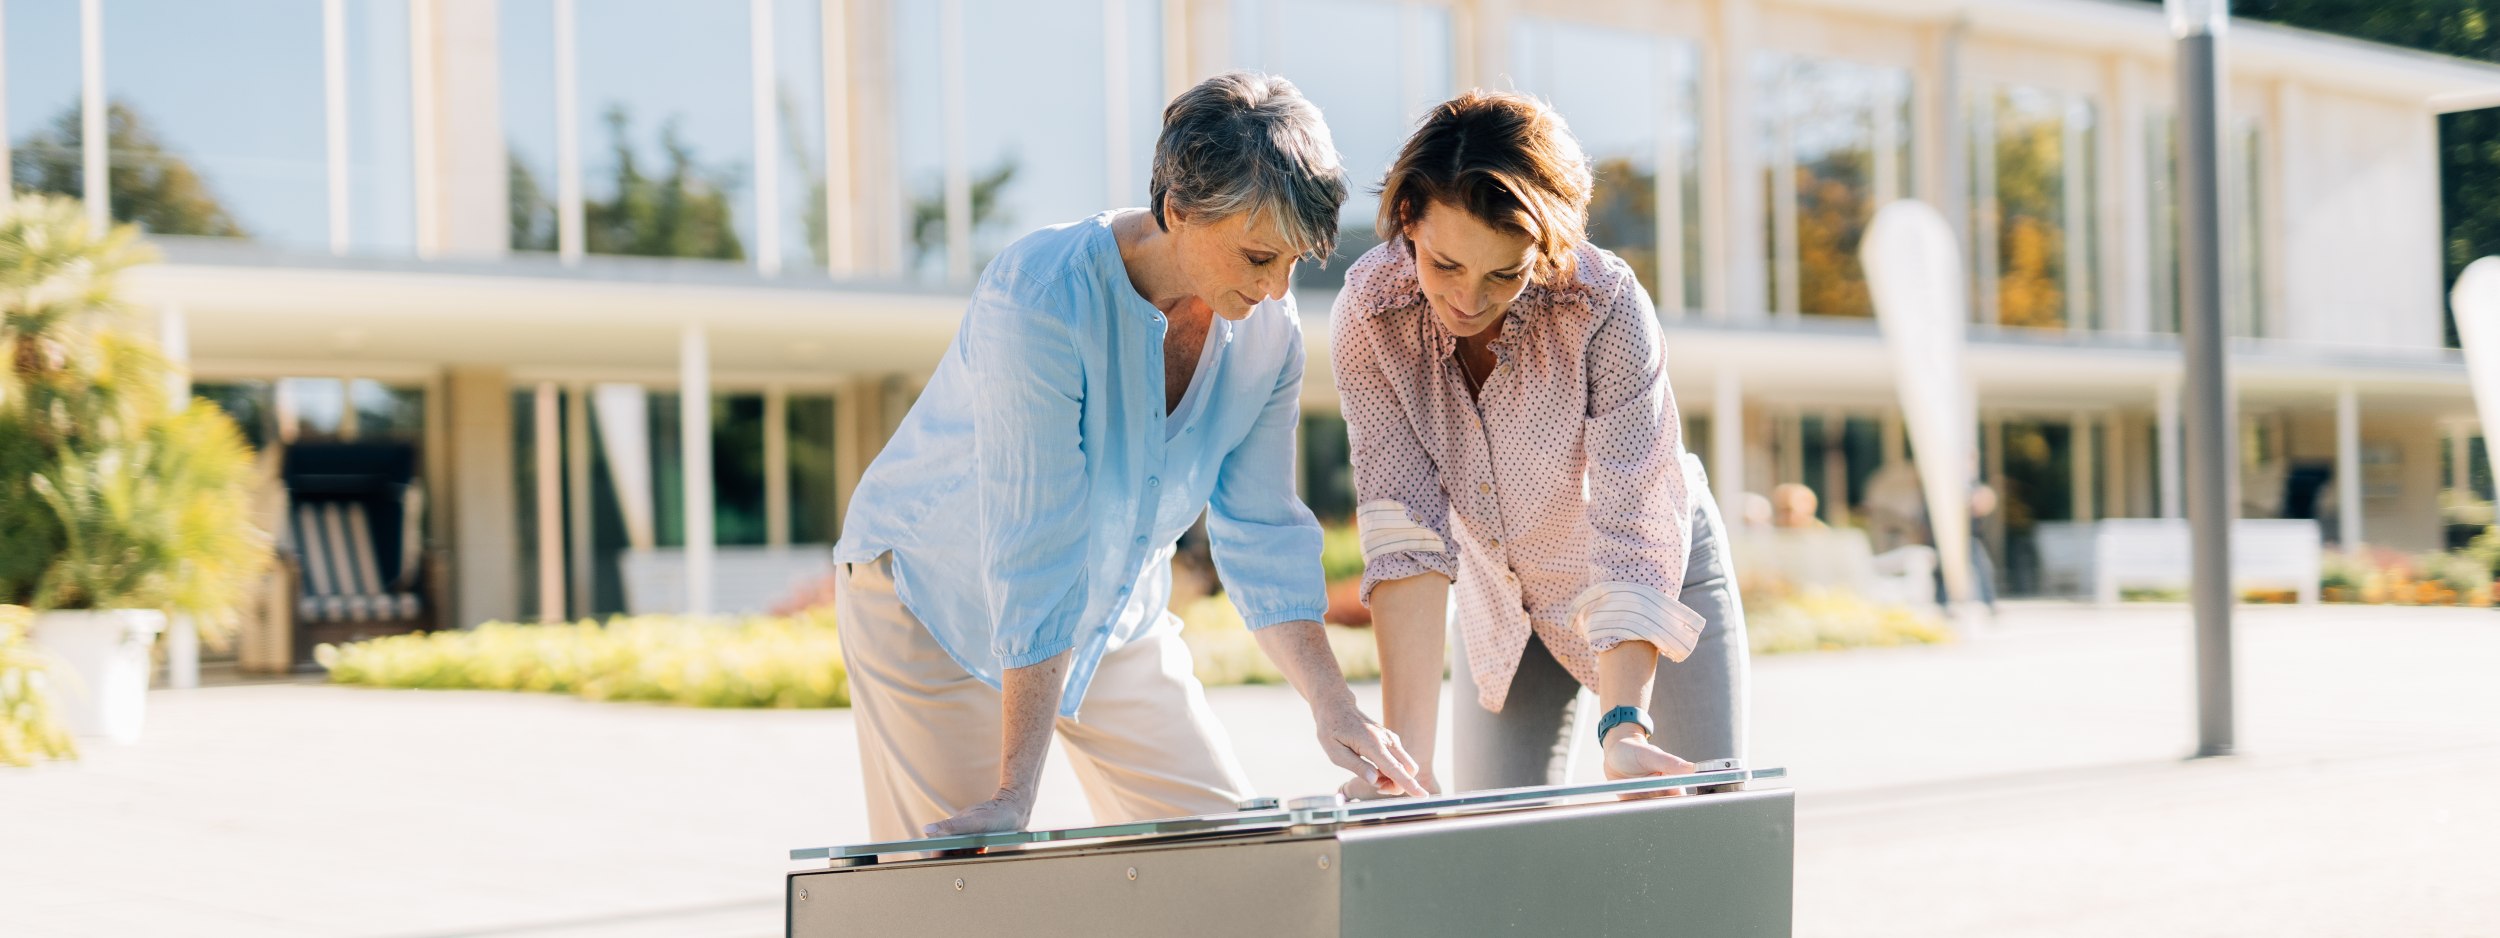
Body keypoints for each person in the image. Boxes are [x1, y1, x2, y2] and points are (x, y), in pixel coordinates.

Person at [831, 72, 1423, 842]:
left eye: (1294, 261)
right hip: (936, 602)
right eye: (1256, 256)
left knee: (1226, 863)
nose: (1277, 289)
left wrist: (1333, 705)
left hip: (1115, 613)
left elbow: (1264, 531)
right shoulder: (1039, 296)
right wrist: (1016, 790)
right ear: (1177, 209)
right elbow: (1034, 545)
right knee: (964, 889)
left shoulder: (1268, 337)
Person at [1333, 90, 1749, 795]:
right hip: (1502, 601)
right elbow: (1404, 533)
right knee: (1500, 851)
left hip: (1652, 573)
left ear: (1547, 247)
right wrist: (1406, 763)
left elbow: (1634, 519)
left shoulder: (1605, 303)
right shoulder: (1372, 314)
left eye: (1505, 273)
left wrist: (1623, 726)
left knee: (1697, 834)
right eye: (1444, 265)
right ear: (1408, 220)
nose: (1467, 299)